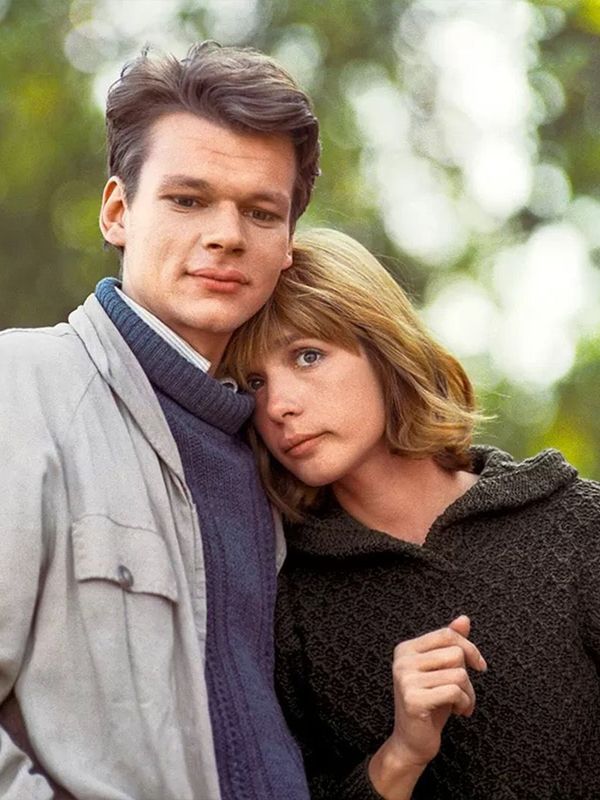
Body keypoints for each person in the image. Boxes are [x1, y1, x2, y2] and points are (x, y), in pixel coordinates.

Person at [0, 41, 319, 800]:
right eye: (188, 200)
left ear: (286, 246)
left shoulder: (278, 454)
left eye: (261, 212)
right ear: (118, 212)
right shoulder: (22, 386)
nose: (227, 234)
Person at [221, 227, 600, 800]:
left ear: (384, 350)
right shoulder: (283, 603)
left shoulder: (574, 524)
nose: (278, 406)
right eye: (254, 383)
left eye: (308, 356)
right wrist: (400, 755)